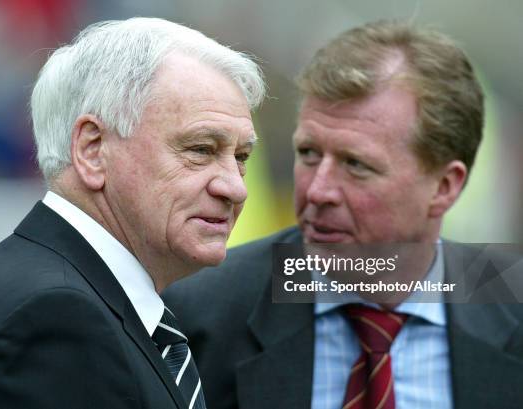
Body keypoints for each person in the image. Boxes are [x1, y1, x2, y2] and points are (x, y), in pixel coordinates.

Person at [163, 20, 523, 409]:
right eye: (309, 154)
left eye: (356, 164)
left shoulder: (508, 301)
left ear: (444, 186)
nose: (318, 190)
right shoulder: (198, 315)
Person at [0, 18, 265, 408]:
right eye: (200, 149)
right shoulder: (55, 319)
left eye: (241, 157)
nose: (235, 187)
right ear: (92, 150)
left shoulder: (47, 291)